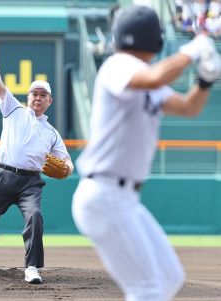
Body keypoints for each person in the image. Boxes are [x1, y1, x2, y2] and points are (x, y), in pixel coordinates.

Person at [72, 4, 221, 301]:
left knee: (169, 277)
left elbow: (189, 107)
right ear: (155, 38)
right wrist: (193, 51)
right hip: (104, 192)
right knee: (147, 288)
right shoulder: (118, 66)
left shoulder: (144, 75)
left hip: (124, 197)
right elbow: (153, 79)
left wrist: (205, 80)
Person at [0, 37, 74, 284]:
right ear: (28, 97)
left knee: (35, 217)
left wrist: (67, 169)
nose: (38, 97)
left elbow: (68, 162)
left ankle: (31, 267)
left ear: (50, 101)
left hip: (30, 183)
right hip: (2, 175)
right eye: (34, 93)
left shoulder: (52, 133)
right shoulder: (13, 110)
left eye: (43, 95)